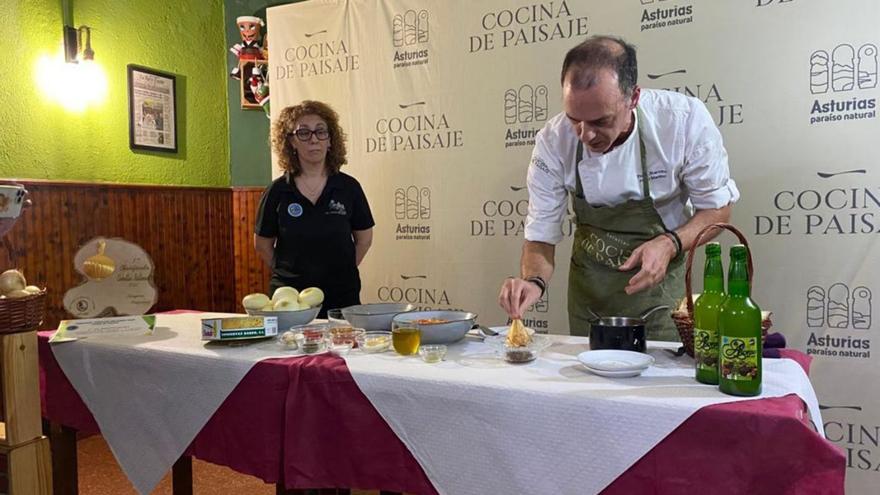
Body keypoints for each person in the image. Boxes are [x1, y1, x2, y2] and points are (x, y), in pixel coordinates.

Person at [498, 35, 739, 340]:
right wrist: (533, 282)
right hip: (590, 302)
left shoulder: (682, 121)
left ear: (633, 98)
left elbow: (718, 211)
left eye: (600, 121)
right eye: (575, 119)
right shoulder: (554, 139)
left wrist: (668, 244)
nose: (585, 134)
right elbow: (540, 235)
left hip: (659, 301)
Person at [255, 101, 374, 318]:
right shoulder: (277, 191)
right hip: (290, 299)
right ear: (290, 142)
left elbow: (364, 239)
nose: (313, 139)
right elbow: (262, 245)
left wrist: (343, 270)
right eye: (303, 133)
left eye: (321, 132)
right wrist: (289, 273)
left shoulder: (349, 188)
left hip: (342, 295)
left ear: (330, 140)